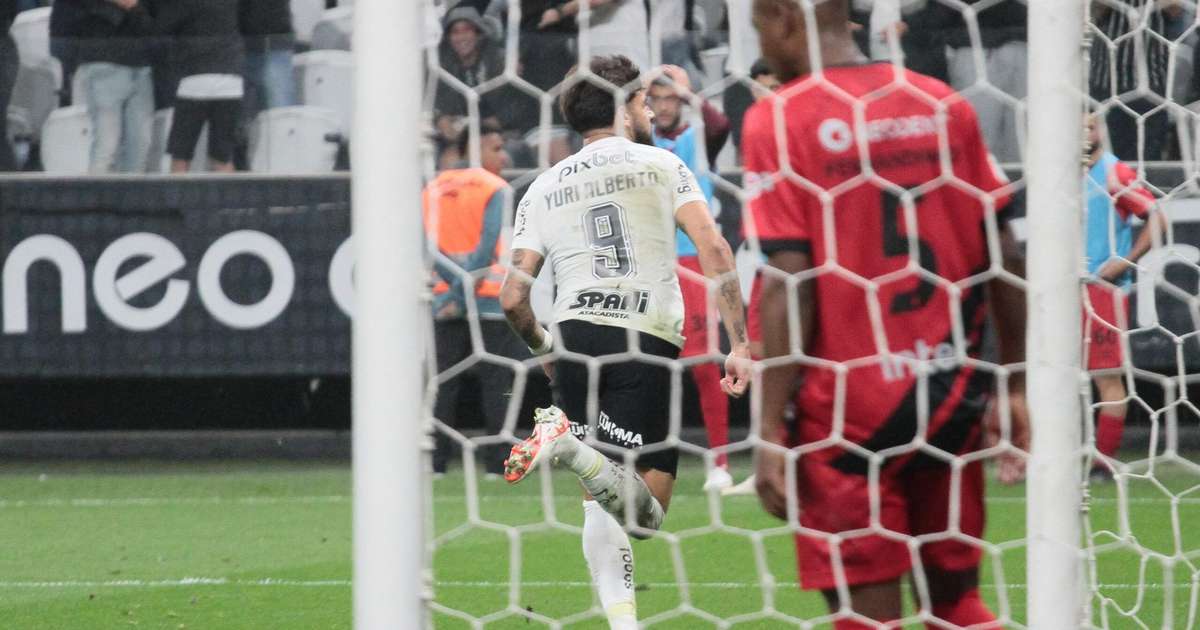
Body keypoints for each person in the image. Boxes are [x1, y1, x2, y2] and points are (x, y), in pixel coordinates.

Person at [746, 1, 1028, 627]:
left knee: (865, 618)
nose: (764, 48)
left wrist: (767, 428)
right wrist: (1013, 382)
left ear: (784, 19)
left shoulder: (780, 117)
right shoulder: (939, 102)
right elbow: (1004, 254)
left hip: (847, 415)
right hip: (950, 393)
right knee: (958, 604)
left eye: (761, 29)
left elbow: (790, 279)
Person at [499, 55, 751, 629]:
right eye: (642, 101)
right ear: (622, 107)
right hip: (645, 336)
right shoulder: (661, 164)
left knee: (601, 496)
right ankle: (568, 448)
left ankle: (624, 623)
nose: (649, 110)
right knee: (646, 512)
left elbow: (513, 297)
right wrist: (740, 342)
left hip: (574, 342)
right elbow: (713, 248)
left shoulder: (542, 186)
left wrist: (545, 355)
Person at [647, 64, 739, 491]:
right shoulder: (639, 143)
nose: (664, 107)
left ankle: (718, 462)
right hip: (651, 259)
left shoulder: (699, 137)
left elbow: (720, 122)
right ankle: (646, 458)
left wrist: (689, 94)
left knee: (704, 364)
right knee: (648, 364)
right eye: (657, 98)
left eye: (671, 98)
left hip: (692, 260)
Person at [425, 122, 527, 478]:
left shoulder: (433, 187)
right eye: (497, 148)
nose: (504, 156)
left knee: (442, 386)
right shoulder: (495, 187)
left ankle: (435, 463)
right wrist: (464, 291)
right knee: (498, 385)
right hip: (487, 299)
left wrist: (451, 295)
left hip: (444, 303)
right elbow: (486, 250)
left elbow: (428, 245)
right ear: (477, 150)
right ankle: (498, 465)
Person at [1082, 113, 1165, 480]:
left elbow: (1157, 219)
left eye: (1089, 125)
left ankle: (1102, 464)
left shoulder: (1115, 174)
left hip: (1103, 291)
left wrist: (1124, 263)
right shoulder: (1057, 172)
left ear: (1099, 128)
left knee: (1106, 377)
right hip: (1060, 288)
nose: (1084, 133)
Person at [108, 0, 244, 173]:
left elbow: (156, 32)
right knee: (222, 157)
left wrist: (133, 8)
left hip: (195, 81)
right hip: (231, 81)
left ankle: (177, 199)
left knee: (181, 155)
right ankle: (229, 199)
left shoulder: (182, 4)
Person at [52, 0, 154, 173]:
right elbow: (62, 28)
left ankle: (131, 199)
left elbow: (154, 24)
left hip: (141, 66)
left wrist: (132, 7)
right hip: (102, 63)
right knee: (106, 147)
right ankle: (97, 199)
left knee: (140, 147)